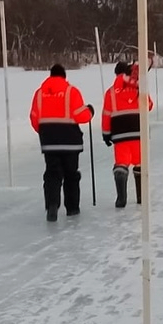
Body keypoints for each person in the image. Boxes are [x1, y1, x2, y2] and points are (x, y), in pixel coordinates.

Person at [29, 63, 94, 221]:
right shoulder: (71, 91)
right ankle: (72, 208)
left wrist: (44, 132)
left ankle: (52, 204)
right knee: (71, 174)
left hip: (49, 142)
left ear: (50, 76)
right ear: (64, 76)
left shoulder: (39, 93)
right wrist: (90, 111)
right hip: (70, 142)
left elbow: (34, 117)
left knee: (52, 173)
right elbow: (81, 115)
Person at [101, 57, 153, 208]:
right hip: (139, 131)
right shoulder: (138, 87)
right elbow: (149, 105)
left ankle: (121, 198)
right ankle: (140, 196)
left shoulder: (110, 92)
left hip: (120, 134)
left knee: (121, 165)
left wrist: (106, 133)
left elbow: (106, 114)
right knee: (140, 163)